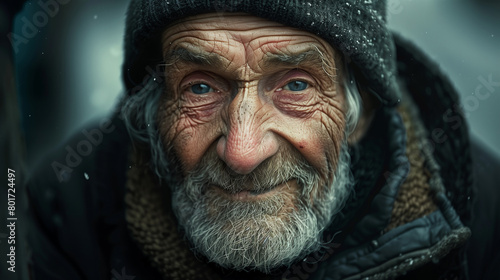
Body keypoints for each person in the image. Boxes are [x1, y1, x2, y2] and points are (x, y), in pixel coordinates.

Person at [25, 1, 500, 279]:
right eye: (201, 87)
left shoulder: (485, 219)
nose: (243, 152)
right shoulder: (59, 213)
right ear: (154, 110)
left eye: (296, 85)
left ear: (361, 111)